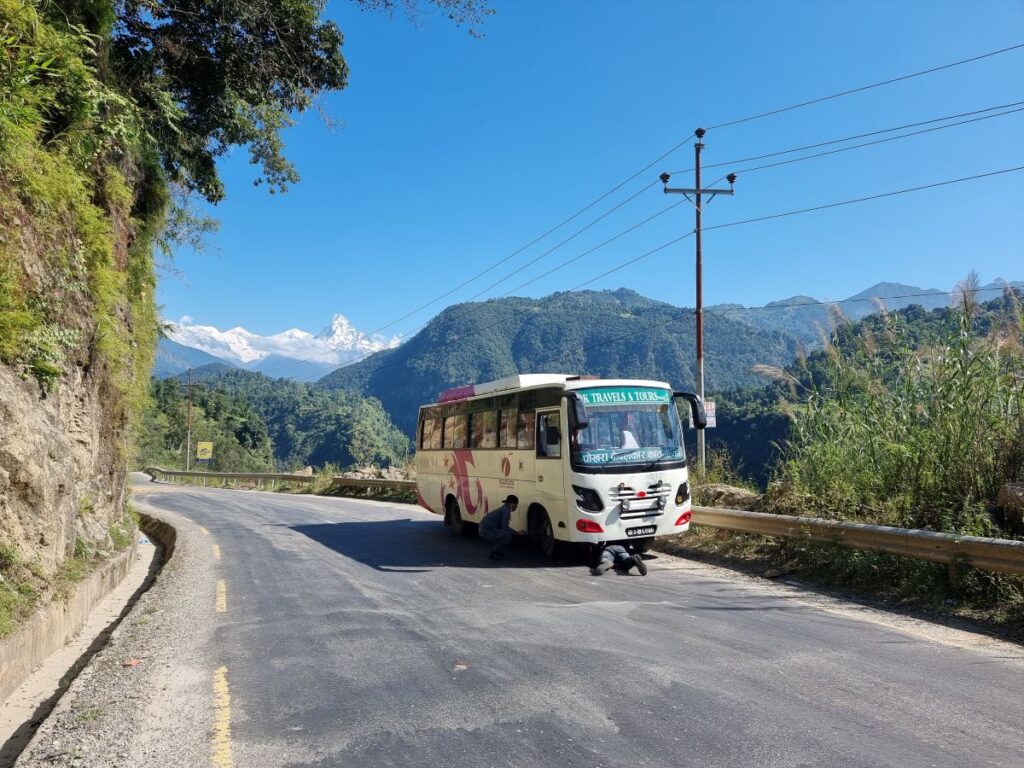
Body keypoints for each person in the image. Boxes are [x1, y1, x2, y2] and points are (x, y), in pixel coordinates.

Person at [478, 495, 524, 560]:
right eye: (516, 505)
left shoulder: (504, 509)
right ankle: (494, 552)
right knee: (507, 535)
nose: (516, 507)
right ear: (511, 504)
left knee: (507, 534)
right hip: (486, 531)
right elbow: (505, 528)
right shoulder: (506, 511)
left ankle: (497, 550)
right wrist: (517, 533)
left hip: (484, 529)